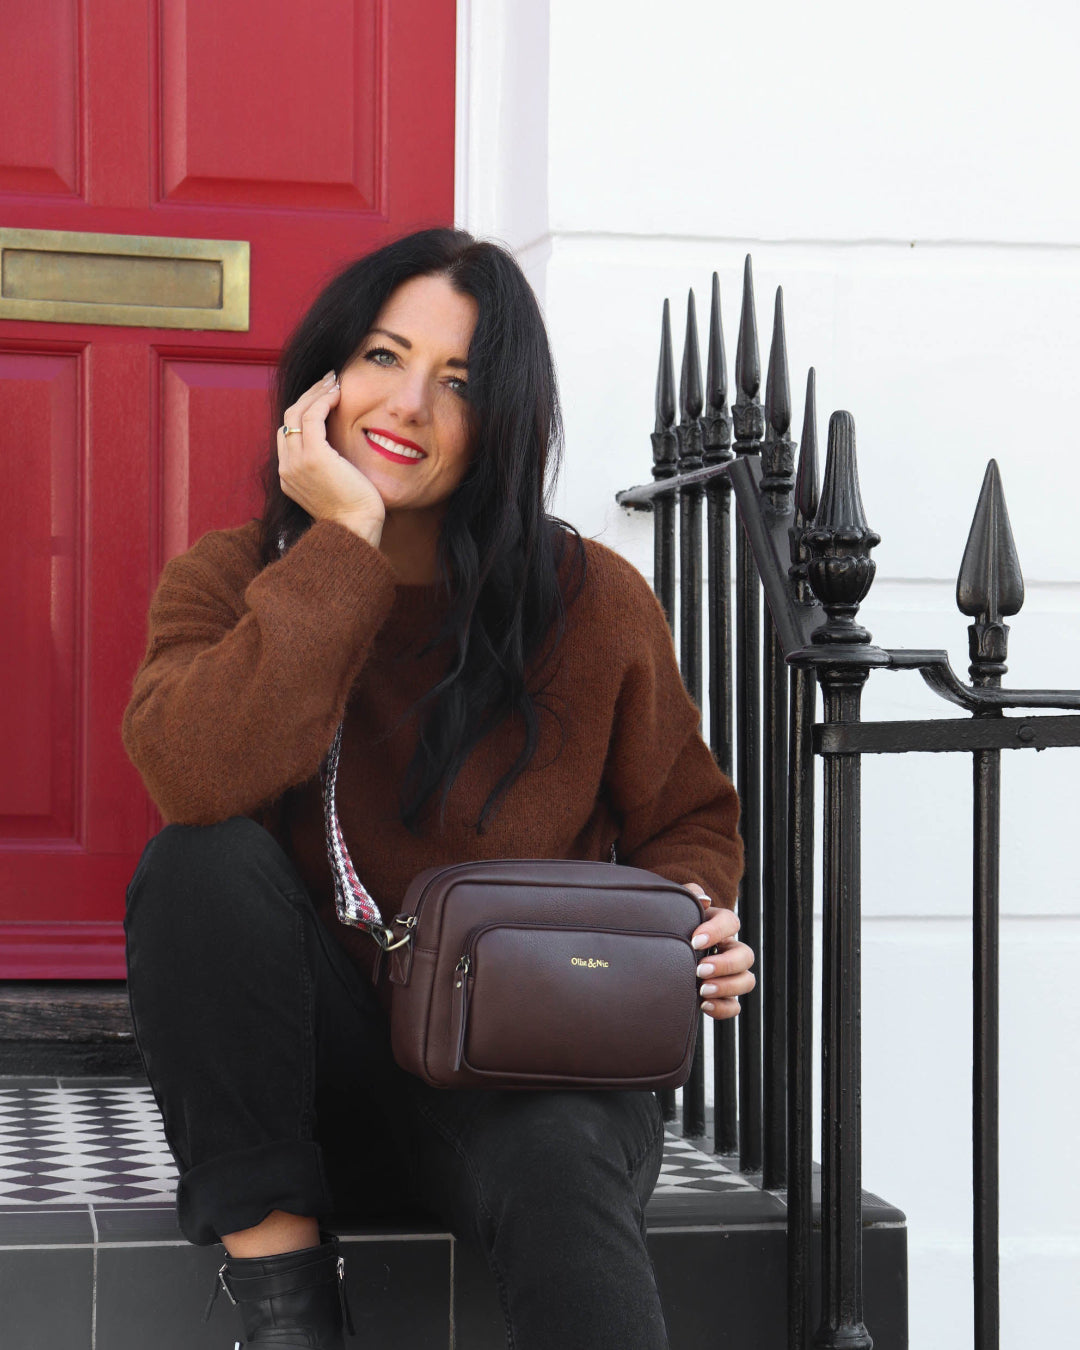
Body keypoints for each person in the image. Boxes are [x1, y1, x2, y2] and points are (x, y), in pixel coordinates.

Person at [121, 228, 754, 1350]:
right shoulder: (232, 581)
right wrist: (344, 547)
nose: (408, 403)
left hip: (527, 1062)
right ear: (326, 373)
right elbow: (190, 771)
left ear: (500, 420)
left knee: (562, 1165)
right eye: (383, 355)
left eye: (457, 382)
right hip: (317, 1084)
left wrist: (698, 920)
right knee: (198, 861)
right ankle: (289, 1318)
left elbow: (688, 815)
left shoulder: (589, 601)